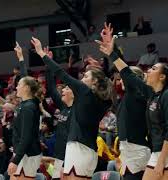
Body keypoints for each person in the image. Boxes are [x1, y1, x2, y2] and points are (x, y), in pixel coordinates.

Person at [96, 24, 168, 180]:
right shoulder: (151, 94)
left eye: (153, 68)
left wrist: (161, 160)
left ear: (162, 77)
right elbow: (126, 72)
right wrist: (112, 53)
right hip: (154, 151)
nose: (148, 70)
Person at [31, 37, 114, 180]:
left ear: (94, 81)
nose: (82, 79)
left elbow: (61, 74)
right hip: (85, 150)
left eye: (86, 76)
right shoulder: (102, 100)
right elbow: (105, 82)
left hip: (79, 148)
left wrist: (41, 53)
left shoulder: (85, 92)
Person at [96, 23, 151, 180]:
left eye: (122, 78)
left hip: (137, 149)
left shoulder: (137, 93)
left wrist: (114, 51)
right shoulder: (126, 96)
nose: (120, 80)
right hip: (127, 150)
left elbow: (125, 70)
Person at [45, 47, 74, 180]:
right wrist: (48, 63)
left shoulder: (78, 109)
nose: (62, 90)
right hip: (58, 154)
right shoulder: (62, 106)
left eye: (67, 88)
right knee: (56, 178)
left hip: (71, 155)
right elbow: (51, 87)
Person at [7, 76, 42, 180]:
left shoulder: (29, 107)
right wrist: (22, 60)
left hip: (28, 154)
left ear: (26, 88)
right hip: (22, 152)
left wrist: (15, 160)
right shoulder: (25, 104)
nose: (16, 87)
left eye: (19, 85)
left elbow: (26, 136)